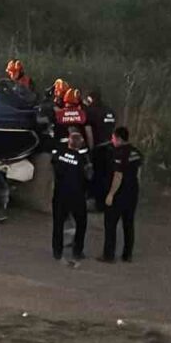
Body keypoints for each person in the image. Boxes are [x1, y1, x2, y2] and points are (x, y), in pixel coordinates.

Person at [102, 127, 143, 263]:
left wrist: (110, 194)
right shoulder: (136, 152)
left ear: (119, 139)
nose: (112, 141)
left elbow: (118, 175)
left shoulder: (119, 153)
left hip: (120, 193)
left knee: (110, 224)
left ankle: (109, 255)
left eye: (113, 138)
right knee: (128, 224)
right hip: (133, 192)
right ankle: (127, 255)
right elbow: (138, 173)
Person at [51, 130, 91, 265]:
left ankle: (57, 251)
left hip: (60, 194)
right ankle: (77, 251)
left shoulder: (59, 154)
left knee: (58, 224)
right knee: (81, 223)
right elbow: (88, 177)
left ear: (69, 142)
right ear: (80, 145)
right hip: (77, 196)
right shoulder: (82, 160)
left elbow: (54, 164)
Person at [84, 90, 117, 209]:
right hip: (111, 146)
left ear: (91, 98)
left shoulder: (90, 111)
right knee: (107, 175)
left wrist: (91, 149)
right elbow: (113, 129)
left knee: (96, 176)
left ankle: (96, 203)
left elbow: (89, 132)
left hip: (98, 147)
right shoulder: (110, 111)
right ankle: (107, 203)